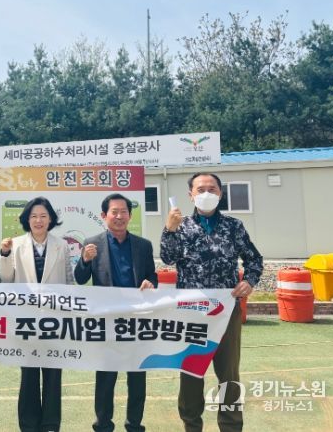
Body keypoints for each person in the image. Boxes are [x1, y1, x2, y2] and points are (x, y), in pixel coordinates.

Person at [160, 172, 263, 432]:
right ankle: (191, 425)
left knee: (229, 374)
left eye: (212, 189)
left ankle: (231, 426)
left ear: (220, 193)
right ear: (190, 195)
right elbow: (168, 258)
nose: (206, 193)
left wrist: (249, 281)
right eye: (200, 189)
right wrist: (169, 229)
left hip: (225, 311)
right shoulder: (181, 226)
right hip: (191, 312)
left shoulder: (233, 226)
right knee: (191, 371)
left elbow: (254, 259)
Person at [74, 193, 157, 432]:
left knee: (137, 377)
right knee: (105, 377)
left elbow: (152, 276)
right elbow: (80, 279)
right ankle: (102, 424)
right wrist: (84, 260)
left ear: (130, 215)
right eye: (114, 212)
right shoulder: (92, 243)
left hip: (137, 320)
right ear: (104, 215)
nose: (119, 216)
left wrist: (151, 283)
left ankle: (134, 424)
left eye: (124, 212)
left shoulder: (143, 245)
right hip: (107, 321)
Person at [0, 197, 73, 432]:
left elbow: (69, 281)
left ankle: (50, 424)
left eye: (43, 216)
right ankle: (28, 425)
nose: (38, 220)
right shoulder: (15, 244)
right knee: (28, 374)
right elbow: (6, 278)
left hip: (55, 320)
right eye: (33, 216)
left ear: (50, 219)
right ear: (26, 220)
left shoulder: (62, 245)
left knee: (53, 375)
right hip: (26, 320)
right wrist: (4, 253)